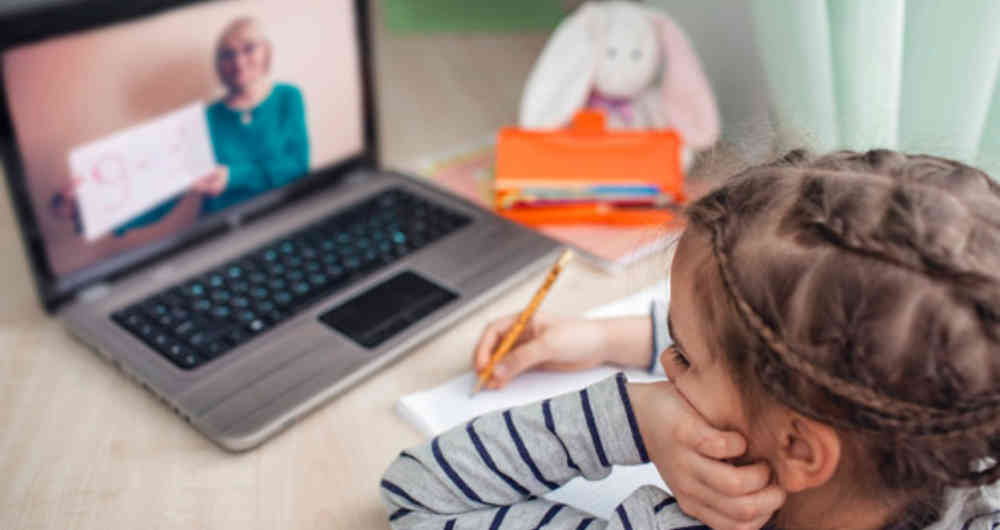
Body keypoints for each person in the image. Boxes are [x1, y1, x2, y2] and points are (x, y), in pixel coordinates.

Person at [380, 149, 1000, 529]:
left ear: (800, 448)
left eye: (681, 355)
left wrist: (630, 416)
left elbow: (421, 497)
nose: (666, 369)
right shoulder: (963, 430)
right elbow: (769, 358)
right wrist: (607, 338)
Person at [95, 16, 310, 236]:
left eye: (249, 49)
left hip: (283, 220)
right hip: (222, 232)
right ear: (219, 65)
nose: (238, 61)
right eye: (227, 54)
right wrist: (99, 211)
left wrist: (232, 177)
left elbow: (297, 167)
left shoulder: (288, 97)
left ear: (266, 52)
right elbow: (169, 190)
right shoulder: (204, 119)